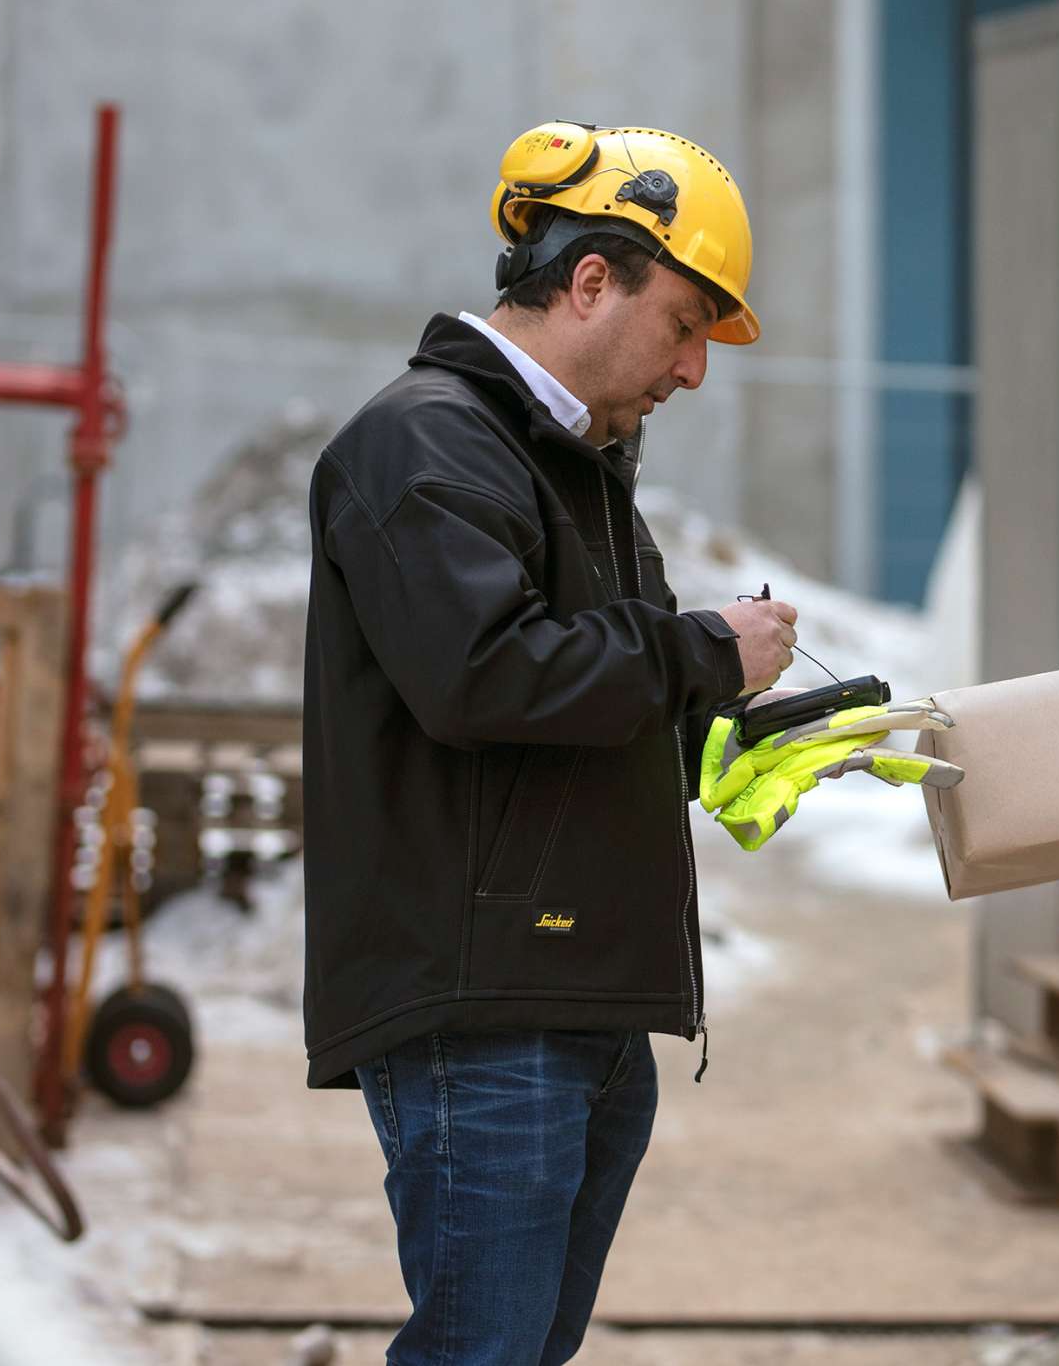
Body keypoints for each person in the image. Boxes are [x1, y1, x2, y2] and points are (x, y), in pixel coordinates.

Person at [298, 121, 794, 1366]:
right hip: (480, 1004)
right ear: (588, 282)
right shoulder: (423, 442)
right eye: (683, 324)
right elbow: (480, 674)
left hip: (574, 998)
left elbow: (609, 695)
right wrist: (696, 653)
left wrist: (751, 728)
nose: (691, 371)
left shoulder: (584, 467)